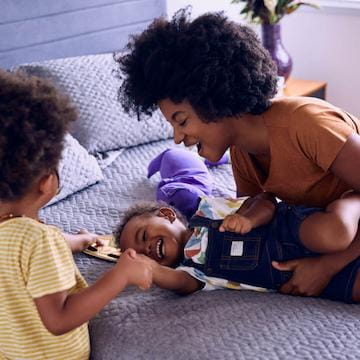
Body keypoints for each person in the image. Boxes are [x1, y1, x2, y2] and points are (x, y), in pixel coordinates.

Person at [115, 9, 360, 297]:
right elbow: (262, 212)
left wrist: (328, 266)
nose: (177, 138)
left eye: (181, 121)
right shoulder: (243, 154)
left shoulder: (307, 124)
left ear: (214, 100)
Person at [0, 70, 153, 360]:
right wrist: (120, 276)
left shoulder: (19, 235)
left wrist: (75, 241)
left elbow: (17, 257)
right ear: (47, 182)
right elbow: (59, 319)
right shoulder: (38, 241)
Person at [116, 194, 360, 303]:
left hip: (291, 232)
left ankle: (351, 201)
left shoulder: (208, 210)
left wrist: (251, 218)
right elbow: (180, 283)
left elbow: (265, 200)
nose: (147, 248)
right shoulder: (193, 272)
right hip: (296, 278)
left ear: (167, 214)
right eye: (142, 254)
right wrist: (150, 270)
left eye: (144, 235)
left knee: (332, 235)